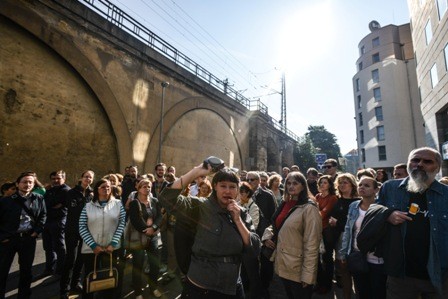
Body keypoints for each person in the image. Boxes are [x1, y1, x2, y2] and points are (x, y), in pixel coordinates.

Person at [158, 163, 261, 298]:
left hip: (232, 285)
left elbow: (254, 248)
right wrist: (196, 171)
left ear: (237, 190)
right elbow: (166, 198)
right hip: (201, 286)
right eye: (223, 186)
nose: (227, 191)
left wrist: (237, 220)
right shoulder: (200, 206)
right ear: (215, 187)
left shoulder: (241, 213)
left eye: (232, 187)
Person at [377, 147, 448, 298]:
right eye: (415, 160)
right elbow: (372, 213)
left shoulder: (446, 195)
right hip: (400, 274)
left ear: (437, 167)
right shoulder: (389, 188)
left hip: (439, 274)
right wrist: (387, 214)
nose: (420, 164)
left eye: (427, 161)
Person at [264, 171, 322, 299]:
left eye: (295, 183)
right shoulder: (285, 203)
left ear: (303, 186)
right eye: (288, 183)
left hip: (298, 267)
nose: (291, 186)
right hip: (283, 263)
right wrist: (267, 236)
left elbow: (312, 243)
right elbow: (276, 225)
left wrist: (308, 274)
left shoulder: (309, 208)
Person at [0, 172, 46, 299]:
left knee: (26, 272)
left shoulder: (38, 198)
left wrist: (36, 232)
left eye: (30, 182)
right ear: (17, 184)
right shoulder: (5, 201)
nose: (27, 184)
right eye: (24, 182)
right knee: (2, 271)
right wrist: (2, 237)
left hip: (28, 239)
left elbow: (43, 216)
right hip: (9, 240)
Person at [339, 176, 386, 299]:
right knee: (362, 291)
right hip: (357, 256)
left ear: (376, 190)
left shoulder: (382, 207)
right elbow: (348, 230)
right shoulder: (354, 205)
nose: (362, 188)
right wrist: (344, 253)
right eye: (360, 185)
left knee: (378, 291)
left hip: (377, 258)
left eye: (367, 185)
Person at [79, 178, 126, 299]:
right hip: (91, 249)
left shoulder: (118, 204)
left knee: (109, 277)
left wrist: (113, 243)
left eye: (108, 187)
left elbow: (122, 224)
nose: (106, 189)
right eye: (103, 187)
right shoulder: (88, 206)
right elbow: (82, 226)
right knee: (90, 277)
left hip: (111, 248)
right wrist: (94, 246)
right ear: (97, 189)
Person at [60, 170, 94, 299]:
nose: (88, 179)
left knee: (81, 259)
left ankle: (75, 283)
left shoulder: (92, 194)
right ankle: (64, 289)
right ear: (81, 178)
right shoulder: (71, 193)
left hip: (86, 231)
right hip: (72, 229)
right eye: (86, 177)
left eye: (90, 178)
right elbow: (67, 207)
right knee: (70, 259)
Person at [128, 179, 163, 299]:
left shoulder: (154, 201)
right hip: (139, 237)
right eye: (144, 186)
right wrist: (146, 229)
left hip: (152, 236)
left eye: (149, 186)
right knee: (138, 265)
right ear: (138, 188)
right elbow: (135, 221)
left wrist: (153, 228)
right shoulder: (134, 203)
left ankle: (153, 288)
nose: (147, 189)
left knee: (155, 264)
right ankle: (138, 291)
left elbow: (159, 216)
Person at [328, 173, 360, 299]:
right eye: (340, 182)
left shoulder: (358, 201)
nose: (342, 185)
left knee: (355, 270)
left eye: (345, 182)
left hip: (352, 240)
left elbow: (356, 223)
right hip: (338, 239)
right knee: (343, 270)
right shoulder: (337, 199)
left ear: (352, 184)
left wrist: (338, 223)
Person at [246, 171, 277, 298]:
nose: (249, 182)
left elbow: (274, 218)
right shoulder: (243, 193)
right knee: (249, 263)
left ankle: (264, 288)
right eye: (247, 180)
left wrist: (269, 236)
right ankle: (251, 287)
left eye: (252, 180)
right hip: (248, 234)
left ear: (259, 181)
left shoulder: (267, 196)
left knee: (266, 265)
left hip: (264, 235)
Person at [40, 170, 70, 279]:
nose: (55, 181)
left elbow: (52, 203)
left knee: (59, 247)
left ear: (64, 179)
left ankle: (60, 271)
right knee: (48, 247)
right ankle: (49, 269)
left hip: (58, 221)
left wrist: (54, 203)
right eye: (53, 179)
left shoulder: (66, 191)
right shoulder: (50, 190)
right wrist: (53, 202)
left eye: (58, 178)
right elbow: (45, 204)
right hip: (47, 221)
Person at [238, 182, 262, 299]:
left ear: (247, 193)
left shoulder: (253, 207)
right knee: (243, 272)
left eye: (241, 192)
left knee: (253, 273)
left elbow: (254, 225)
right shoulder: (238, 204)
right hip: (240, 244)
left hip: (250, 244)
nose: (239, 194)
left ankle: (256, 294)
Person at [315, 175, 338, 294]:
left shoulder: (333, 198)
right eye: (320, 182)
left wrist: (313, 215)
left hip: (326, 231)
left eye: (325, 182)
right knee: (316, 258)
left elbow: (323, 213)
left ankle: (327, 285)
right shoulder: (317, 196)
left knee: (327, 258)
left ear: (329, 184)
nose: (322, 184)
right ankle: (319, 282)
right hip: (316, 230)